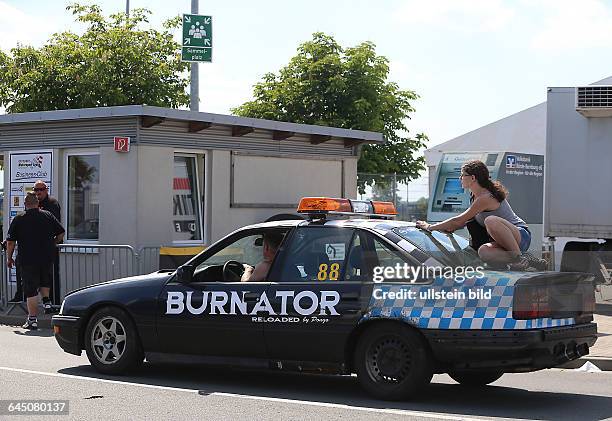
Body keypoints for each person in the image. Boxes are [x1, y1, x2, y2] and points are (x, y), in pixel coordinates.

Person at [416, 160, 546, 270]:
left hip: (520, 235)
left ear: (473, 178)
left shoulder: (485, 197)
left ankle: (518, 258)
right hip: (503, 241)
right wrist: (448, 228)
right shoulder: (474, 196)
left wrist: (430, 227)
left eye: (462, 175)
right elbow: (461, 222)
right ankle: (526, 259)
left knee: (491, 221)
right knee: (483, 251)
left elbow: (458, 220)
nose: (460, 178)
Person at [5, 192, 65, 330]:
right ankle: (47, 303)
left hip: (28, 259)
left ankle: (32, 320)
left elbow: (10, 242)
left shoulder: (19, 218)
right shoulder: (47, 215)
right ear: (37, 203)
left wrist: (9, 258)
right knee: (45, 281)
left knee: (31, 290)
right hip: (46, 257)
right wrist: (53, 243)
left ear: (25, 204)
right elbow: (61, 232)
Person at [33, 180, 62, 305]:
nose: (38, 192)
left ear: (46, 190)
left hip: (48, 247)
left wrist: (53, 243)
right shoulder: (32, 204)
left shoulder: (52, 203)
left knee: (51, 275)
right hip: (34, 248)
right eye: (36, 190)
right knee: (33, 275)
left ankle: (54, 303)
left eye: (41, 189)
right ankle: (33, 301)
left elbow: (56, 227)